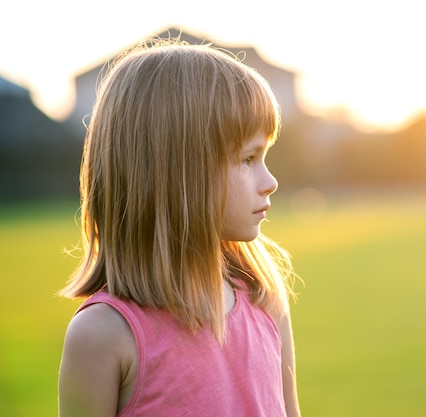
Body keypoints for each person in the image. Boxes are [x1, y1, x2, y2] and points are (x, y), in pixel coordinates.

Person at [57, 38, 300, 417]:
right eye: (248, 159)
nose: (270, 181)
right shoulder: (104, 335)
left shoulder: (264, 301)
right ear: (179, 174)